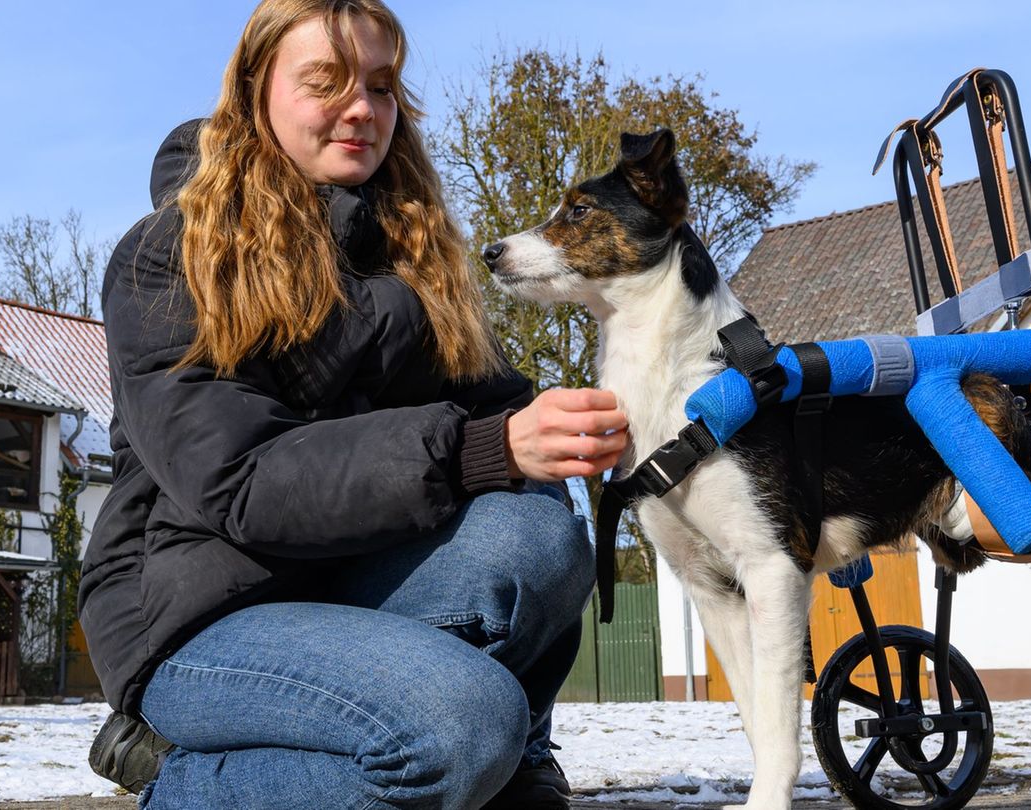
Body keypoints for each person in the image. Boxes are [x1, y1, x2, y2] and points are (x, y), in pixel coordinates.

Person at [77, 1, 628, 807]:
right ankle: (177, 776)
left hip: (343, 582)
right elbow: (243, 482)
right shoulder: (168, 255)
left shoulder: (416, 257)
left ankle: (514, 768)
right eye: (325, 82)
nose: (362, 109)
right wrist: (483, 448)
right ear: (257, 90)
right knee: (461, 724)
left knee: (540, 540)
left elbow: (504, 415)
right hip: (194, 614)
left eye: (380, 84)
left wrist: (614, 414)